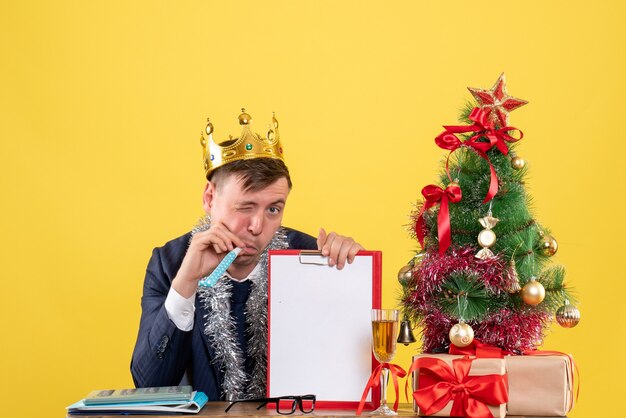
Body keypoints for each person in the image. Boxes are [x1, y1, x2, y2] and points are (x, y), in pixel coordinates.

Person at [130, 110, 363, 401]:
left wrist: (352, 276)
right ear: (210, 198)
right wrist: (185, 283)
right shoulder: (170, 263)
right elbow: (148, 385)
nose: (257, 227)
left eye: (273, 209)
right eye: (245, 207)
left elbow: (348, 373)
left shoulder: (310, 259)